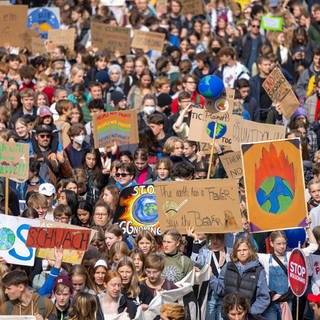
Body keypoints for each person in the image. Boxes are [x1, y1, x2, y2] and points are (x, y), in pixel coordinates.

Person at [211, 238, 270, 316]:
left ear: (250, 251)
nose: (242, 253)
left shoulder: (258, 270)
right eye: (239, 250)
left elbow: (264, 297)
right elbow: (221, 290)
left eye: (244, 250)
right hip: (229, 315)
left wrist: (250, 312)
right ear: (235, 252)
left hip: (248, 316)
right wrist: (211, 276)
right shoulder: (228, 267)